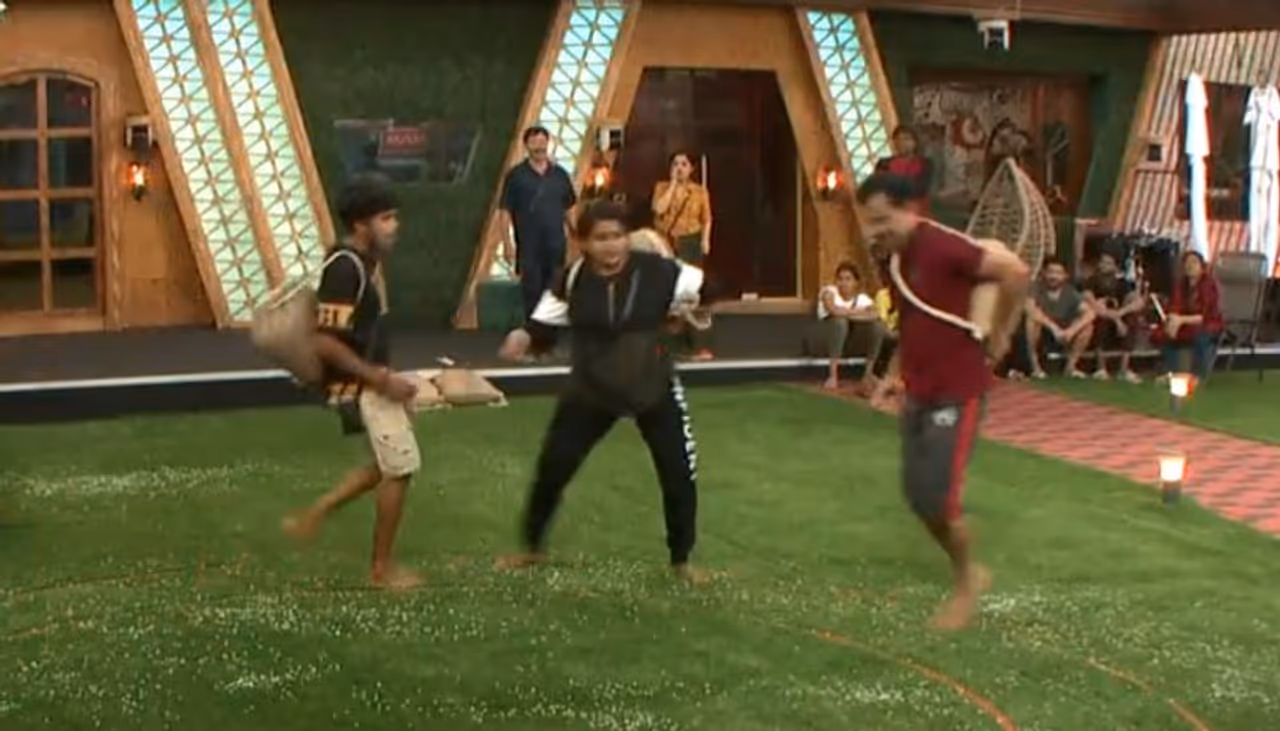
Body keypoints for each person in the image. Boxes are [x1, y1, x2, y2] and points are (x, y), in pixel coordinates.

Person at [496, 200, 708, 582]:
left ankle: (682, 560)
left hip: (652, 386)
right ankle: (531, 548)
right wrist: (523, 336)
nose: (611, 246)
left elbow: (707, 289)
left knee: (677, 471)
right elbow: (543, 325)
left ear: (628, 238)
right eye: (601, 238)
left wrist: (692, 312)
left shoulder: (661, 271)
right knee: (554, 465)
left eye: (618, 236)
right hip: (591, 390)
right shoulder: (572, 279)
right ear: (583, 243)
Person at [858, 172, 1030, 630]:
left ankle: (967, 581)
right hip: (920, 390)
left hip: (958, 390)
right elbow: (913, 321)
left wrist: (1001, 331)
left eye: (882, 220)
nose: (874, 231)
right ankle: (967, 569)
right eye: (869, 222)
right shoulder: (897, 261)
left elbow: (1014, 273)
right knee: (918, 495)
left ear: (909, 210)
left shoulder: (941, 246)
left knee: (938, 496)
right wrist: (893, 376)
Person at [282, 174, 422, 590]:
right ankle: (381, 570)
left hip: (370, 382)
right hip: (361, 386)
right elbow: (325, 342)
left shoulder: (362, 264)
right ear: (361, 224)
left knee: (383, 465)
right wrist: (379, 379)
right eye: (386, 218)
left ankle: (315, 514)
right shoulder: (346, 268)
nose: (395, 226)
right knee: (401, 468)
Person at [500, 125, 578, 319]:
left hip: (556, 245)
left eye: (542, 142)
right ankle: (534, 330)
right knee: (532, 293)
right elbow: (504, 211)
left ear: (548, 143)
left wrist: (578, 237)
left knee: (556, 292)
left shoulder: (560, 174)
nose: (539, 147)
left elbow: (570, 208)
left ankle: (553, 329)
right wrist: (507, 244)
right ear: (526, 146)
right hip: (529, 247)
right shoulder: (516, 176)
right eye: (534, 143)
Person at [652, 151, 714, 360]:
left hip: (691, 242)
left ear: (691, 169)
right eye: (676, 164)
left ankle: (696, 345)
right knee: (666, 294)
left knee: (690, 293)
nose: (679, 168)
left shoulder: (699, 191)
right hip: (667, 243)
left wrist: (705, 240)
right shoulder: (661, 187)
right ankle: (663, 345)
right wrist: (672, 185)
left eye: (684, 164)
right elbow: (658, 209)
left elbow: (707, 219)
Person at [1022, 259, 1094, 379]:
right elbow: (1031, 309)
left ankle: (1070, 368)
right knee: (1032, 322)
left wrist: (1071, 331)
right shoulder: (1035, 288)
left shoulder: (1070, 292)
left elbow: (1090, 313)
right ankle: (1035, 368)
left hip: (1063, 334)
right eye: (1050, 272)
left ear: (1065, 276)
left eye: (1058, 273)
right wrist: (1054, 328)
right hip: (1043, 332)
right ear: (1044, 273)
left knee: (1088, 327)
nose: (1053, 276)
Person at [1157, 250, 1223, 380]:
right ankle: (1173, 373)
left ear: (1202, 267)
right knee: (1164, 334)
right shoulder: (1181, 284)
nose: (1190, 265)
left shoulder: (1209, 284)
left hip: (1208, 324)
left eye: (1194, 262)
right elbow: (1174, 306)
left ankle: (1197, 376)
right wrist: (1172, 322)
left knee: (1200, 336)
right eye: (1187, 263)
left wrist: (1180, 320)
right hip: (1185, 324)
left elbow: (1205, 315)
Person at [816, 262, 882, 390]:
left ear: (856, 282)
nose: (843, 283)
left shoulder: (862, 298)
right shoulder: (829, 292)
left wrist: (849, 315)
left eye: (848, 279)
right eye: (840, 279)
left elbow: (875, 315)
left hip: (851, 340)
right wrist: (858, 312)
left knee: (878, 327)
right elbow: (833, 310)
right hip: (825, 339)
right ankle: (833, 376)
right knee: (839, 322)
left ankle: (868, 374)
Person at [1082, 251, 1144, 383]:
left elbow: (1138, 302)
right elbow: (1092, 303)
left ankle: (1124, 368)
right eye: (1102, 262)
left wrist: (1121, 313)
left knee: (1132, 319)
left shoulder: (1123, 284)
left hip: (1118, 324)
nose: (1104, 265)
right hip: (1100, 320)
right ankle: (1100, 368)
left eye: (1108, 263)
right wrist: (1117, 320)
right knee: (1099, 320)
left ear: (1116, 267)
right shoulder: (1090, 282)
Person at [874, 126, 933, 209]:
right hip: (891, 210)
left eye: (906, 139)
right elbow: (880, 190)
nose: (901, 142)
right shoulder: (884, 163)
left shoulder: (925, 163)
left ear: (915, 142)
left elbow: (921, 188)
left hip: (918, 209)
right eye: (897, 139)